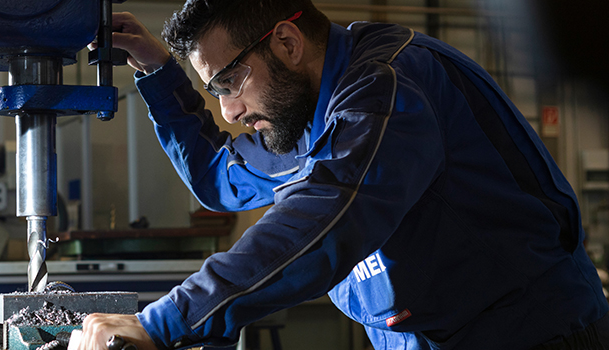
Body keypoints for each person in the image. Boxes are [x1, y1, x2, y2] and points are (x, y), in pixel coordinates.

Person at [68, 0, 609, 349]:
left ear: (286, 42)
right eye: (216, 92)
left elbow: (331, 210)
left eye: (230, 82)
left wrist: (162, 322)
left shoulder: (389, 88)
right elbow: (219, 177)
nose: (229, 112)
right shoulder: (303, 120)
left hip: (531, 336)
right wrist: (157, 71)